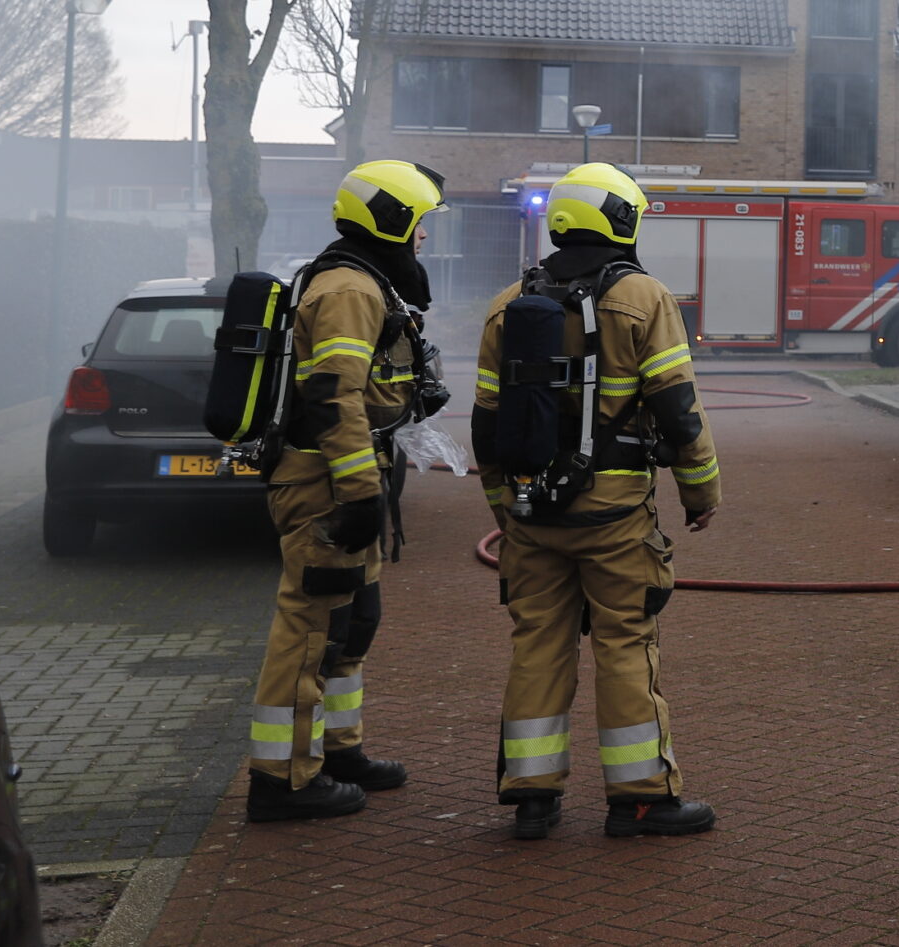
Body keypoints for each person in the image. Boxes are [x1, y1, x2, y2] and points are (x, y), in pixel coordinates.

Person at [471, 162, 723, 841]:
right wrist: (700, 491)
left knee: (537, 647)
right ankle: (642, 798)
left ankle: (531, 796)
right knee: (624, 644)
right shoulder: (644, 298)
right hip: (614, 515)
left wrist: (505, 508)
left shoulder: (505, 305)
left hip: (530, 516)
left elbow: (486, 424)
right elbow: (678, 409)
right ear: (623, 218)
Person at [245, 159, 447, 824]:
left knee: (352, 622)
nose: (424, 238)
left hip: (343, 474)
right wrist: (360, 492)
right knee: (310, 628)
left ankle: (337, 751)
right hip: (324, 482)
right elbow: (332, 394)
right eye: (419, 224)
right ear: (390, 221)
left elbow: (365, 389)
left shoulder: (362, 281)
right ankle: (282, 779)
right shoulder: (348, 289)